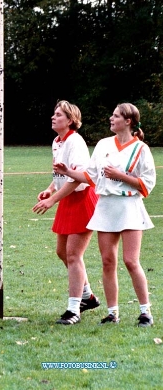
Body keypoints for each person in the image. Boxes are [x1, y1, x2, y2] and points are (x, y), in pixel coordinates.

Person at [54, 103, 156, 327]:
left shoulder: (141, 148)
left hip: (129, 206)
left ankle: (145, 312)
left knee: (130, 261)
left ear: (128, 121)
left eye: (116, 115)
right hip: (105, 207)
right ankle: (112, 313)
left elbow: (148, 183)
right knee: (107, 261)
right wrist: (66, 172)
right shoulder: (103, 145)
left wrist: (121, 176)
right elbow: (89, 176)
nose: (111, 118)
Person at [32, 100, 99, 325]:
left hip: (81, 199)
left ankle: (73, 310)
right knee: (62, 252)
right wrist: (50, 188)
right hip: (67, 200)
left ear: (70, 120)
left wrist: (52, 200)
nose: (54, 117)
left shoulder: (75, 142)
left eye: (59, 114)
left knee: (73, 254)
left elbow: (77, 179)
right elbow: (59, 173)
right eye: (54, 113)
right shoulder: (57, 141)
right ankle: (88, 296)